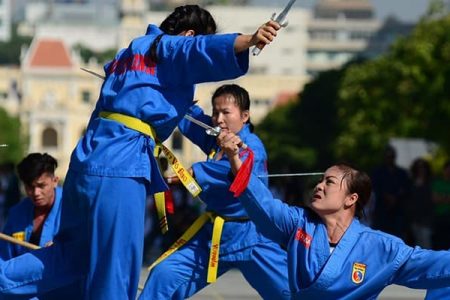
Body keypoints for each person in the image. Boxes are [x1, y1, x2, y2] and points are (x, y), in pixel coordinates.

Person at [0, 5, 281, 299]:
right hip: (120, 168)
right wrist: (249, 40)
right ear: (187, 36)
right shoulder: (169, 48)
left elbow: (182, 115)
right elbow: (193, 50)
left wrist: (215, 137)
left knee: (72, 256)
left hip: (87, 162)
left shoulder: (130, 54)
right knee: (116, 270)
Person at [199, 131, 450, 299]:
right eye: (320, 180)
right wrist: (233, 156)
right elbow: (262, 203)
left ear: (351, 199)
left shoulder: (379, 246)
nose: (319, 186)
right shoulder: (298, 224)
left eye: (329, 182)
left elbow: (431, 264)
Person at [139, 84, 290, 299]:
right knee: (163, 275)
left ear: (245, 116)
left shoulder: (252, 147)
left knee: (292, 293)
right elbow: (192, 121)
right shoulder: (217, 138)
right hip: (214, 237)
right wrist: (176, 98)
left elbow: (231, 169)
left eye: (226, 112)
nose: (219, 119)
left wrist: (188, 173)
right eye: (215, 112)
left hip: (253, 237)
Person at [0, 153, 79, 299]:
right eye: (30, 187)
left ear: (55, 181)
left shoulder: (74, 209)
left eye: (41, 185)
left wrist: (62, 247)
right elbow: (4, 257)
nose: (36, 193)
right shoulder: (17, 213)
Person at [371, 145, 411, 239]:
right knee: (381, 237)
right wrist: (386, 196)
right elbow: (375, 188)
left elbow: (406, 189)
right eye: (387, 156)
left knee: (397, 237)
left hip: (398, 211)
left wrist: (396, 197)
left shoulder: (401, 173)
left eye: (391, 156)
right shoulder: (377, 172)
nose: (389, 159)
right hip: (382, 210)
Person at [405, 158, 433, 248]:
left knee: (427, 244)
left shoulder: (430, 182)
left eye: (423, 167)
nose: (421, 170)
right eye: (419, 167)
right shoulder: (410, 183)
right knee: (417, 246)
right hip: (414, 218)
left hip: (427, 218)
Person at [431, 161, 450, 250]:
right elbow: (435, 199)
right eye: (447, 169)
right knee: (441, 243)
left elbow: (439, 198)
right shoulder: (437, 183)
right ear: (444, 170)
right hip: (440, 217)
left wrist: (442, 196)